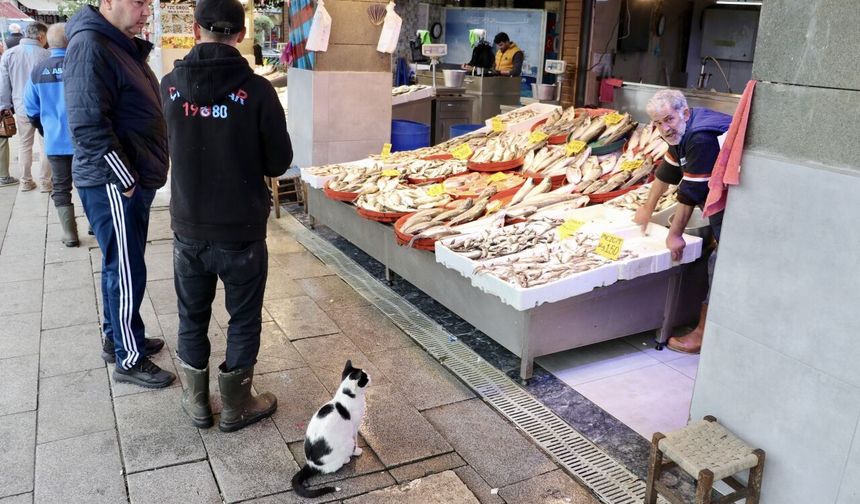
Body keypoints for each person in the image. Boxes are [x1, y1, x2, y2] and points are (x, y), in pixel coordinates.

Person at [161, 0, 292, 431]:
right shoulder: (257, 91)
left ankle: (197, 402)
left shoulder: (168, 86)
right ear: (240, 35)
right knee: (244, 316)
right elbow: (278, 162)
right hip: (242, 229)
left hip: (189, 226)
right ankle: (237, 405)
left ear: (195, 31)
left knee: (191, 314)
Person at [64, 1, 172, 387]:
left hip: (127, 178)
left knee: (122, 264)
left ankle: (120, 339)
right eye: (138, 1)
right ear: (108, 2)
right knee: (125, 270)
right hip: (115, 180)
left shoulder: (117, 44)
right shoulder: (92, 44)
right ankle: (129, 356)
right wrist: (126, 178)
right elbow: (88, 123)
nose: (146, 11)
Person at [634, 89, 731, 354]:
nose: (664, 128)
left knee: (720, 263)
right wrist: (647, 207)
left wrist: (674, 234)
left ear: (684, 113)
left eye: (669, 120)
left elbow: (690, 192)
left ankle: (703, 333)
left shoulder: (699, 137)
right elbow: (667, 171)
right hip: (723, 201)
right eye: (657, 123)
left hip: (741, 206)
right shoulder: (683, 129)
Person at [24, 23, 79, 247]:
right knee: (90, 183)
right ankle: (95, 225)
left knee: (61, 186)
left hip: (56, 141)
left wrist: (44, 128)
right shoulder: (80, 66)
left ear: (49, 41)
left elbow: (31, 108)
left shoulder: (39, 70)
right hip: (85, 141)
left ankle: (69, 234)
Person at [0, 22, 51, 192]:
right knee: (46, 145)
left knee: (24, 144)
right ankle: (46, 182)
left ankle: (26, 181)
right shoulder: (47, 55)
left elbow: (4, 85)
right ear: (41, 37)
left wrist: (5, 105)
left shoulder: (9, 55)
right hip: (45, 107)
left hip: (22, 107)